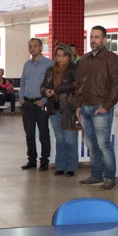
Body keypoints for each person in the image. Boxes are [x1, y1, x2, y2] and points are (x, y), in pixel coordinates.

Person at [75, 26, 118, 189]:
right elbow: (79, 85)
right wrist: (78, 105)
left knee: (104, 144)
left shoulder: (112, 59)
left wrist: (106, 106)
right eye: (91, 36)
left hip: (100, 108)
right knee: (91, 144)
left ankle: (110, 177)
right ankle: (96, 175)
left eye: (97, 37)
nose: (93, 40)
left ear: (104, 39)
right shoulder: (84, 59)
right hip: (85, 108)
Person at [40, 44, 79, 176]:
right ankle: (60, 166)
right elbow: (43, 86)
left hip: (69, 108)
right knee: (60, 138)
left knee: (70, 139)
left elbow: (75, 86)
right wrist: (46, 91)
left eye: (64, 56)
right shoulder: (50, 69)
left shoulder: (75, 68)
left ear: (69, 56)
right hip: (53, 107)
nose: (61, 59)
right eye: (58, 56)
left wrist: (57, 89)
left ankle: (72, 167)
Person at [20, 38, 54, 171]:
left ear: (41, 48)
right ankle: (31, 160)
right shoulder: (27, 65)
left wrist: (44, 100)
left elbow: (52, 85)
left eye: (35, 46)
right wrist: (22, 99)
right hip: (27, 104)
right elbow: (22, 83)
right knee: (29, 133)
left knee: (43, 133)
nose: (32, 48)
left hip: (41, 104)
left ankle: (44, 161)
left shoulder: (48, 64)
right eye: (30, 46)